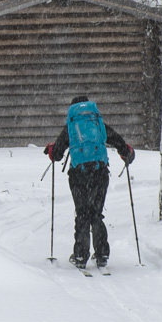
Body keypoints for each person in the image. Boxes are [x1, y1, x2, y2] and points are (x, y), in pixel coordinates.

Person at [44, 95, 135, 270]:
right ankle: (101, 255)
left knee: (82, 214)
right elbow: (118, 142)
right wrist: (126, 152)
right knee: (96, 213)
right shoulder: (97, 123)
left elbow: (56, 154)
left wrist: (51, 149)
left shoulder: (71, 126)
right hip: (100, 172)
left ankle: (80, 255)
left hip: (79, 174)